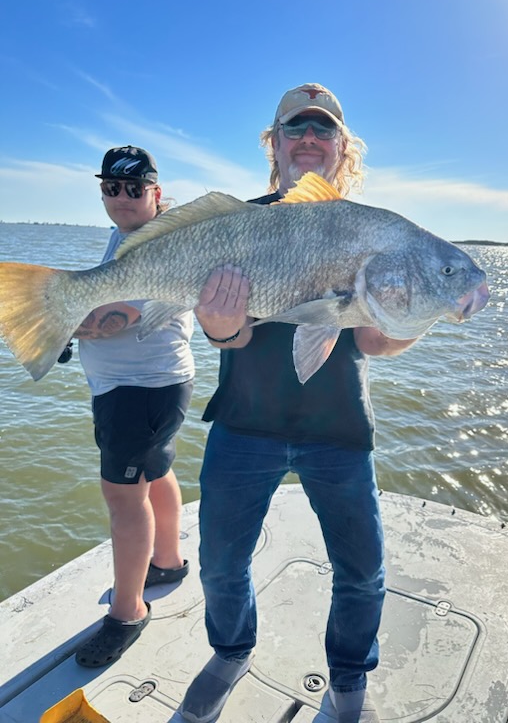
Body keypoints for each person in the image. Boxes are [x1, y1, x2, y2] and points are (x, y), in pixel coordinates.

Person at [182, 85, 419, 723]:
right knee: (220, 564)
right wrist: (220, 326)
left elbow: (370, 340)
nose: (309, 140)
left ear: (342, 151)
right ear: (275, 145)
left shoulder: (370, 232)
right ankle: (231, 653)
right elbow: (230, 335)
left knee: (364, 572)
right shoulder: (235, 223)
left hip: (338, 430)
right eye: (296, 129)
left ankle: (348, 681)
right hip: (242, 425)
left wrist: (422, 308)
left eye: (324, 131)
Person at [73, 146, 194, 668]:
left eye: (134, 188)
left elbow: (117, 316)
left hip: (138, 388)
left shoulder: (162, 243)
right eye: (110, 188)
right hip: (156, 385)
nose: (121, 198)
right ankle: (166, 561)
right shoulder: (126, 236)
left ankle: (128, 612)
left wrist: (42, 318)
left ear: (156, 193)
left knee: (124, 500)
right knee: (154, 474)